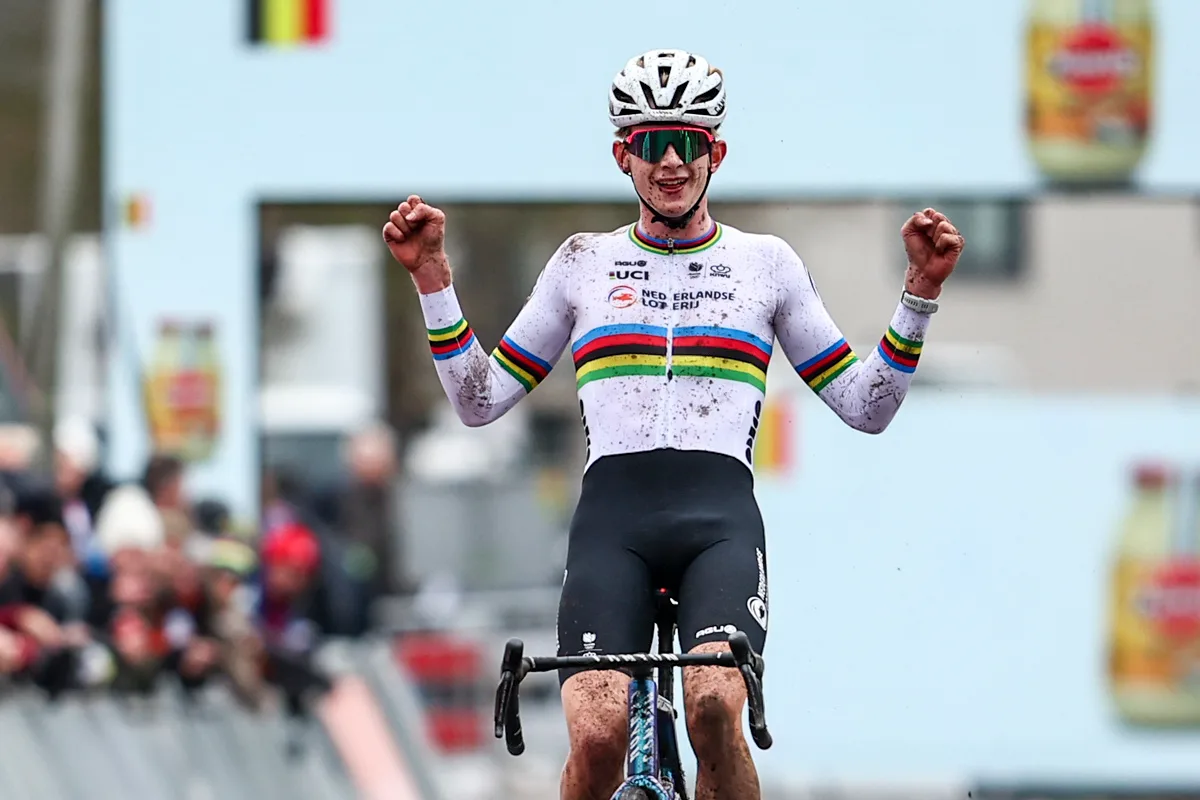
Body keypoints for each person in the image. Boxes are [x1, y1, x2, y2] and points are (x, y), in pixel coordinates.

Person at [383, 48, 964, 800]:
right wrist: (433, 279)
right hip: (612, 526)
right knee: (595, 739)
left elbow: (867, 406)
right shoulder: (581, 263)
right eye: (652, 143)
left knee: (714, 710)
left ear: (715, 153)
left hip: (716, 522)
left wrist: (918, 293)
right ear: (623, 154)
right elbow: (479, 400)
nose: (670, 162)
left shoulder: (768, 265)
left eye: (688, 143)